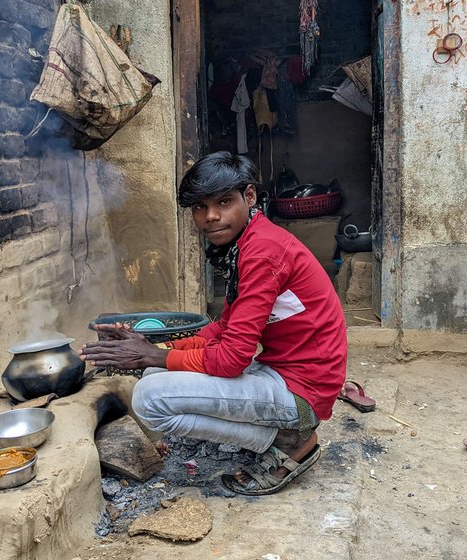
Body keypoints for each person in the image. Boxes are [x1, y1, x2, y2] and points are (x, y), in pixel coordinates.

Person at [79, 151, 347, 495]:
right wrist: (157, 350)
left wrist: (150, 355)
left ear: (249, 197)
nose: (211, 217)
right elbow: (224, 330)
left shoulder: (263, 251)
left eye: (223, 202)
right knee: (155, 374)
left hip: (303, 391)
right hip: (285, 373)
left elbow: (233, 358)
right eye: (199, 208)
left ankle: (292, 441)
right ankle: (283, 434)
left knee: (148, 397)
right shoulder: (249, 241)